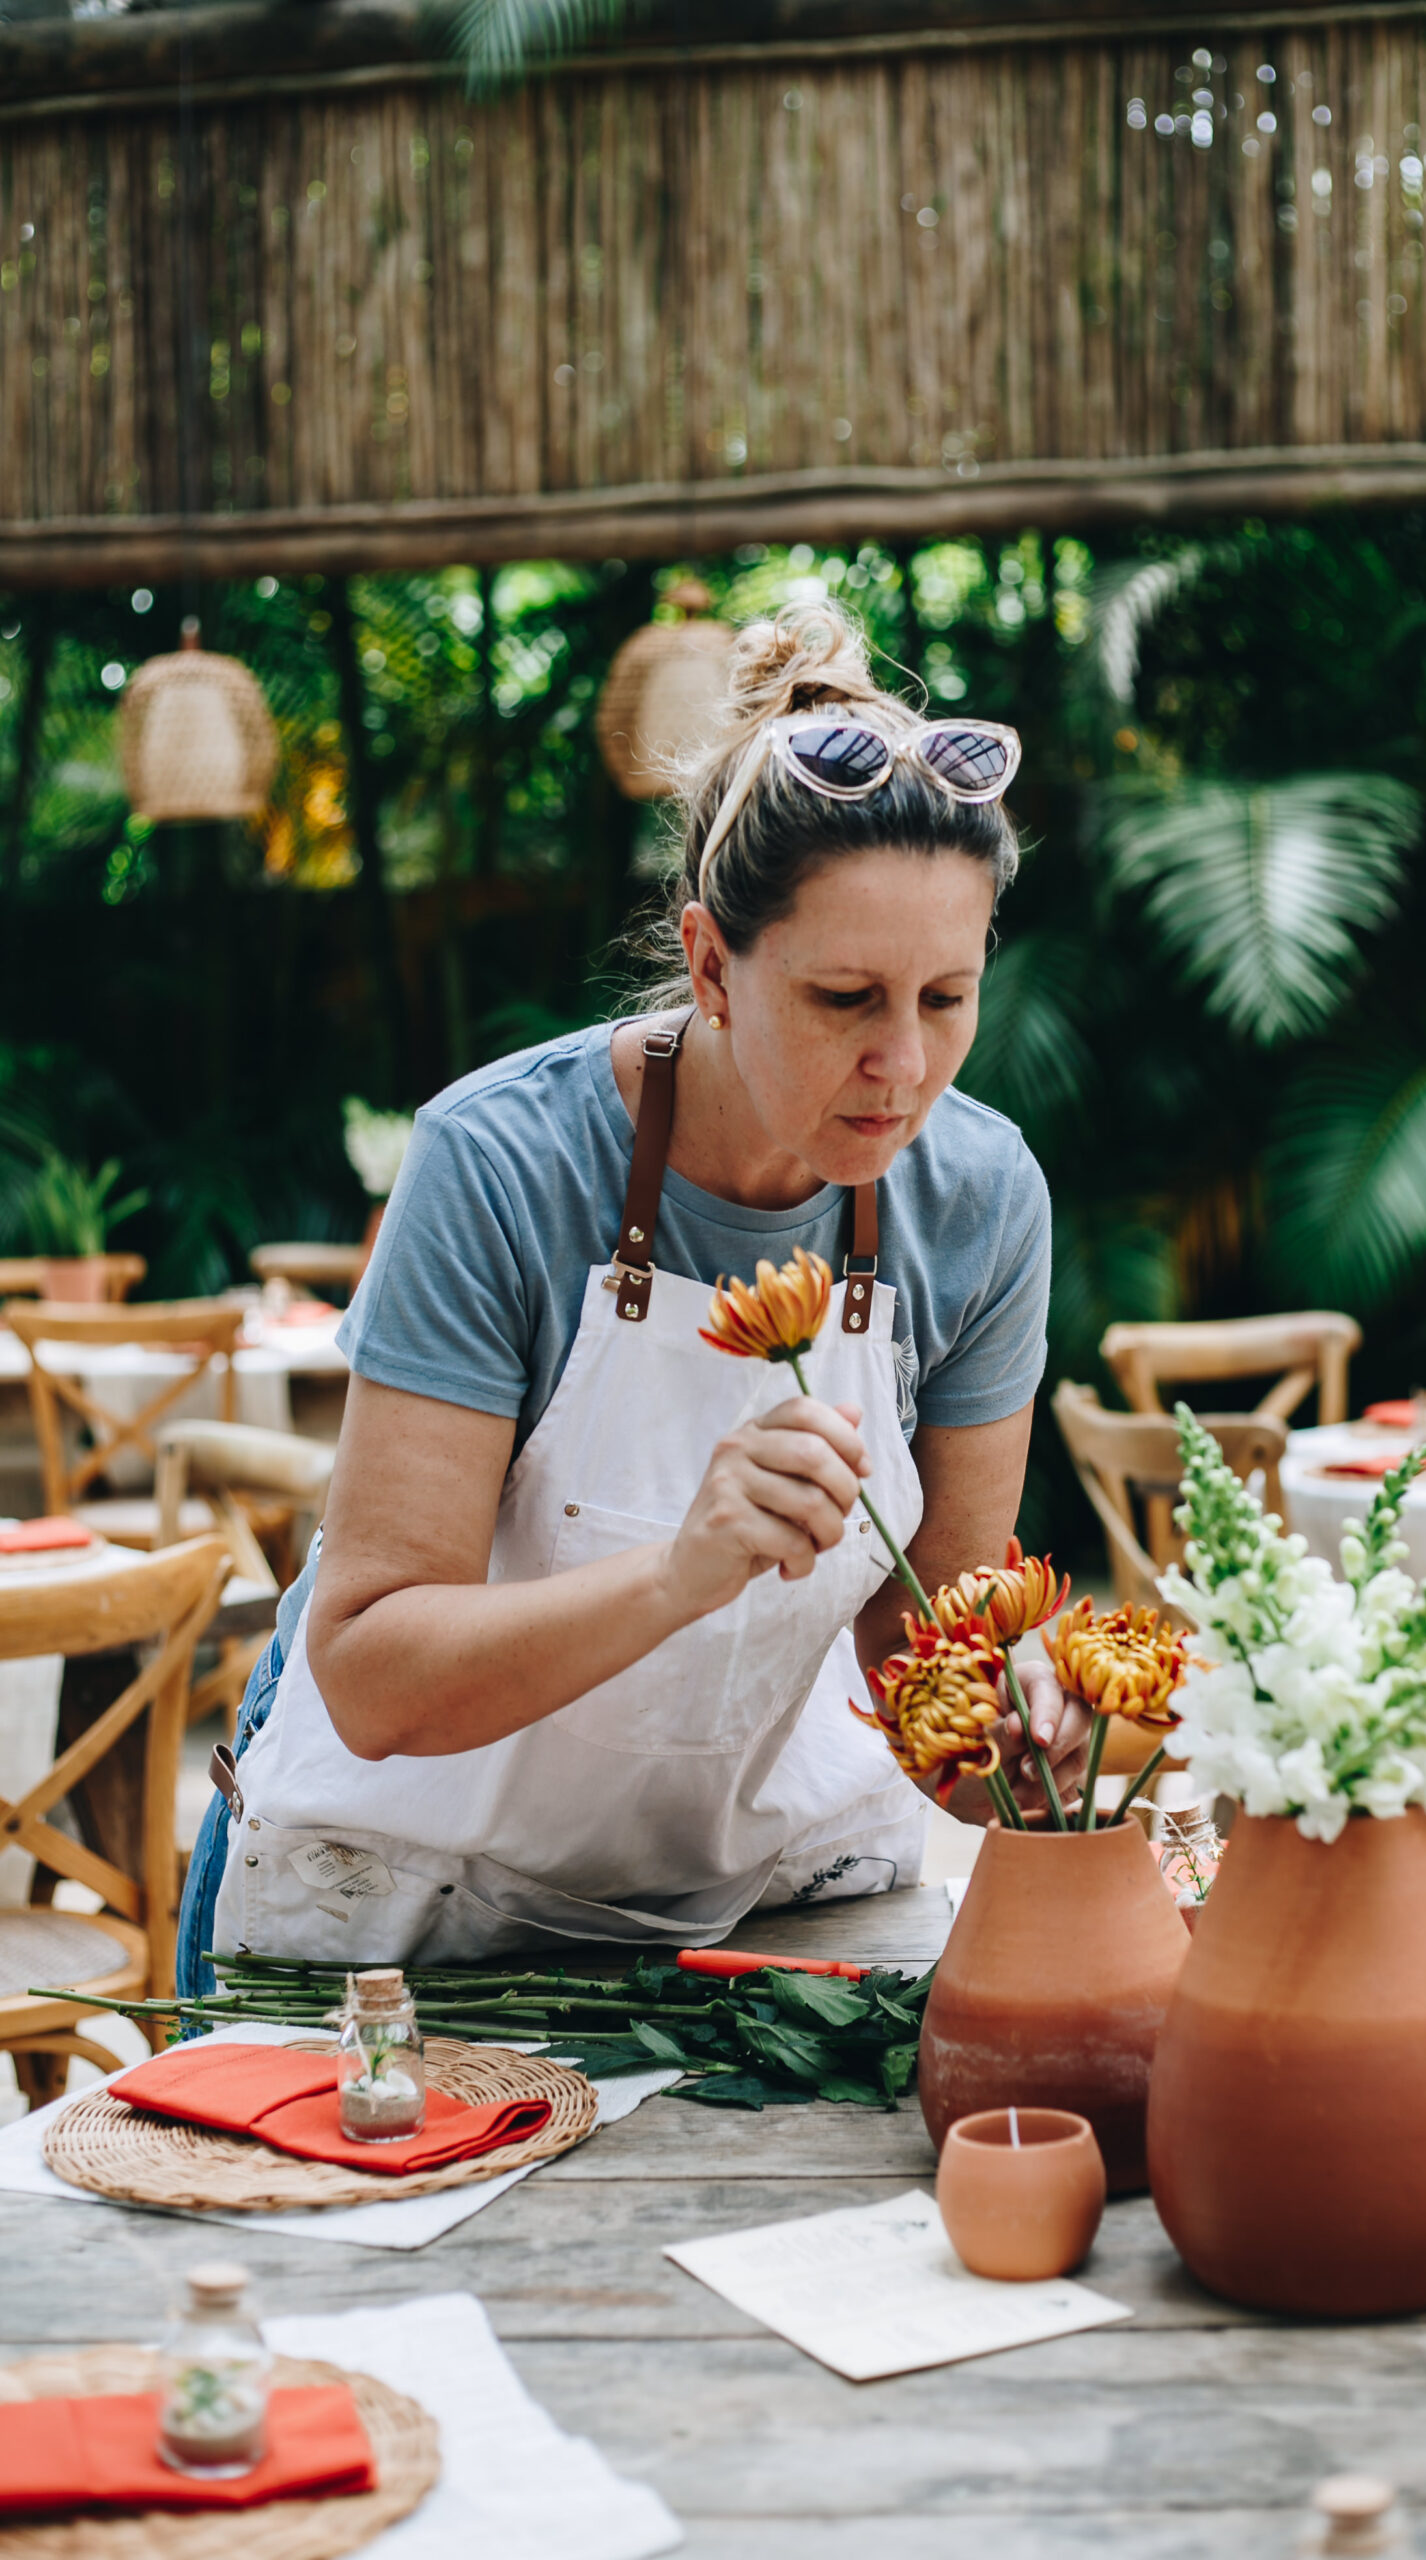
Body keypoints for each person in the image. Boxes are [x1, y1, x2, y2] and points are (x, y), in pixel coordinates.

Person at [178, 603, 1085, 1990]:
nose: (904, 1065)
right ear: (713, 962)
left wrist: (1022, 1728)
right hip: (397, 1940)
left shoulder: (980, 1200)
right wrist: (681, 1572)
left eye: (946, 998)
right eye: (846, 998)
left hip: (744, 1943)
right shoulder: (501, 1164)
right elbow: (367, 1671)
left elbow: (928, 1652)